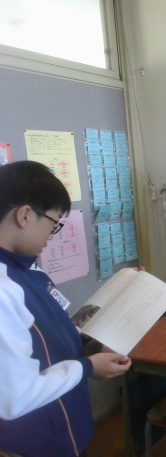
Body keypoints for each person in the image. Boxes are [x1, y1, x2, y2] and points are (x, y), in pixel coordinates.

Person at [0, 161, 131, 457]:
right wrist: (88, 367)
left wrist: (93, 341)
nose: (52, 234)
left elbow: (51, 331)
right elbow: (16, 397)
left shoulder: (28, 271)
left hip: (63, 427)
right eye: (54, 223)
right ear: (25, 215)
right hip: (32, 444)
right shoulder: (3, 287)